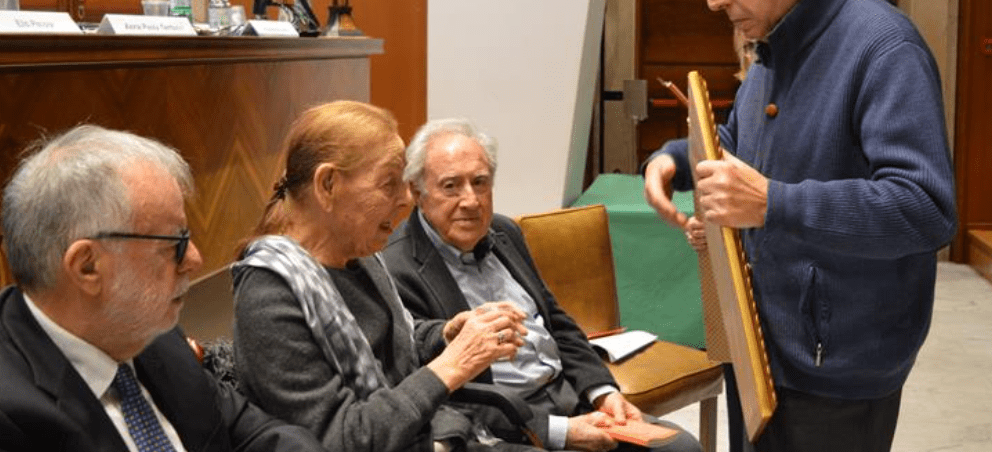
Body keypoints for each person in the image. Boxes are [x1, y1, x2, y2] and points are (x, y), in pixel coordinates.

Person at [642, 0, 957, 452]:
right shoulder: (772, 42)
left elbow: (925, 209)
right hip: (759, 343)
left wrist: (773, 203)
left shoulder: (884, 48)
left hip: (836, 368)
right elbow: (738, 146)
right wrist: (674, 159)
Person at [230, 100, 539, 452]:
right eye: (389, 183)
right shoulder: (269, 297)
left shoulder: (359, 254)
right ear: (328, 184)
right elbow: (339, 439)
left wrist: (445, 335)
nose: (407, 198)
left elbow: (395, 342)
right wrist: (452, 365)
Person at [0, 124, 326, 452]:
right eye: (175, 243)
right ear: (88, 266)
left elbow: (251, 431)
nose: (195, 260)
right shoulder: (13, 421)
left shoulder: (149, 332)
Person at [383, 118, 703, 452]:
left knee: (681, 448)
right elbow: (441, 393)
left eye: (480, 182)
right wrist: (560, 431)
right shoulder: (398, 268)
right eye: (451, 186)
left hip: (570, 396)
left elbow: (557, 321)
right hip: (504, 428)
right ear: (418, 192)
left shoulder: (504, 232)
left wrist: (602, 392)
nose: (471, 200)